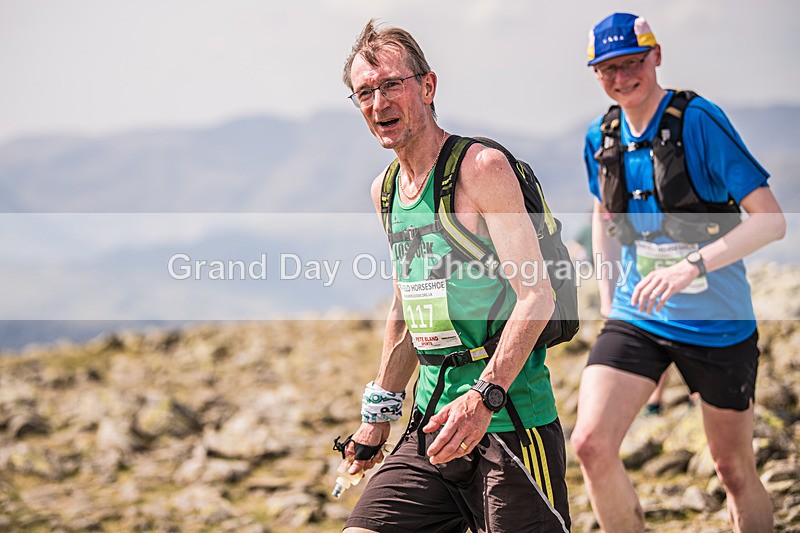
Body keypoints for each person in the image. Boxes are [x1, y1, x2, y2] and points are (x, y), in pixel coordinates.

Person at [338, 19, 570, 532]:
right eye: (365, 93)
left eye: (392, 85)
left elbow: (536, 297)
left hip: (509, 420)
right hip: (432, 422)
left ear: (427, 86)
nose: (379, 104)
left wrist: (484, 399)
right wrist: (376, 420)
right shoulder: (386, 189)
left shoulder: (480, 168)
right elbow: (406, 314)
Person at [570, 12, 785, 533]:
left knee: (733, 470)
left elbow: (771, 221)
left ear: (656, 56)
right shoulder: (602, 135)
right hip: (638, 317)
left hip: (718, 322)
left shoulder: (697, 121)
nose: (621, 78)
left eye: (632, 64)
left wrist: (691, 266)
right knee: (590, 445)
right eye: (607, 69)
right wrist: (608, 296)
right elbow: (604, 217)